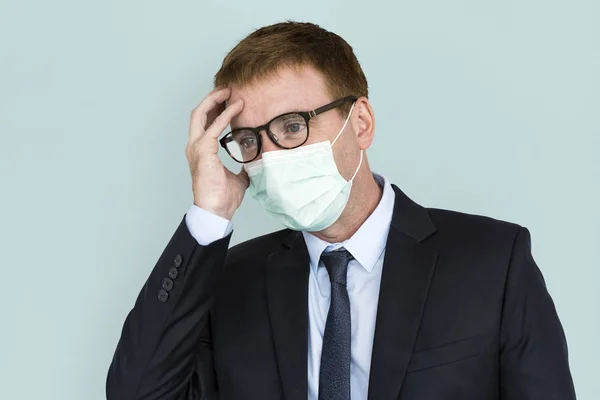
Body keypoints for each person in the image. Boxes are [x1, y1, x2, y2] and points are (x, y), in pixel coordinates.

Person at [106, 21, 576, 400]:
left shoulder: (492, 261)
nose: (271, 157)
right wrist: (210, 213)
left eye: (292, 127)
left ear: (362, 124)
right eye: (250, 140)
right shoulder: (230, 280)